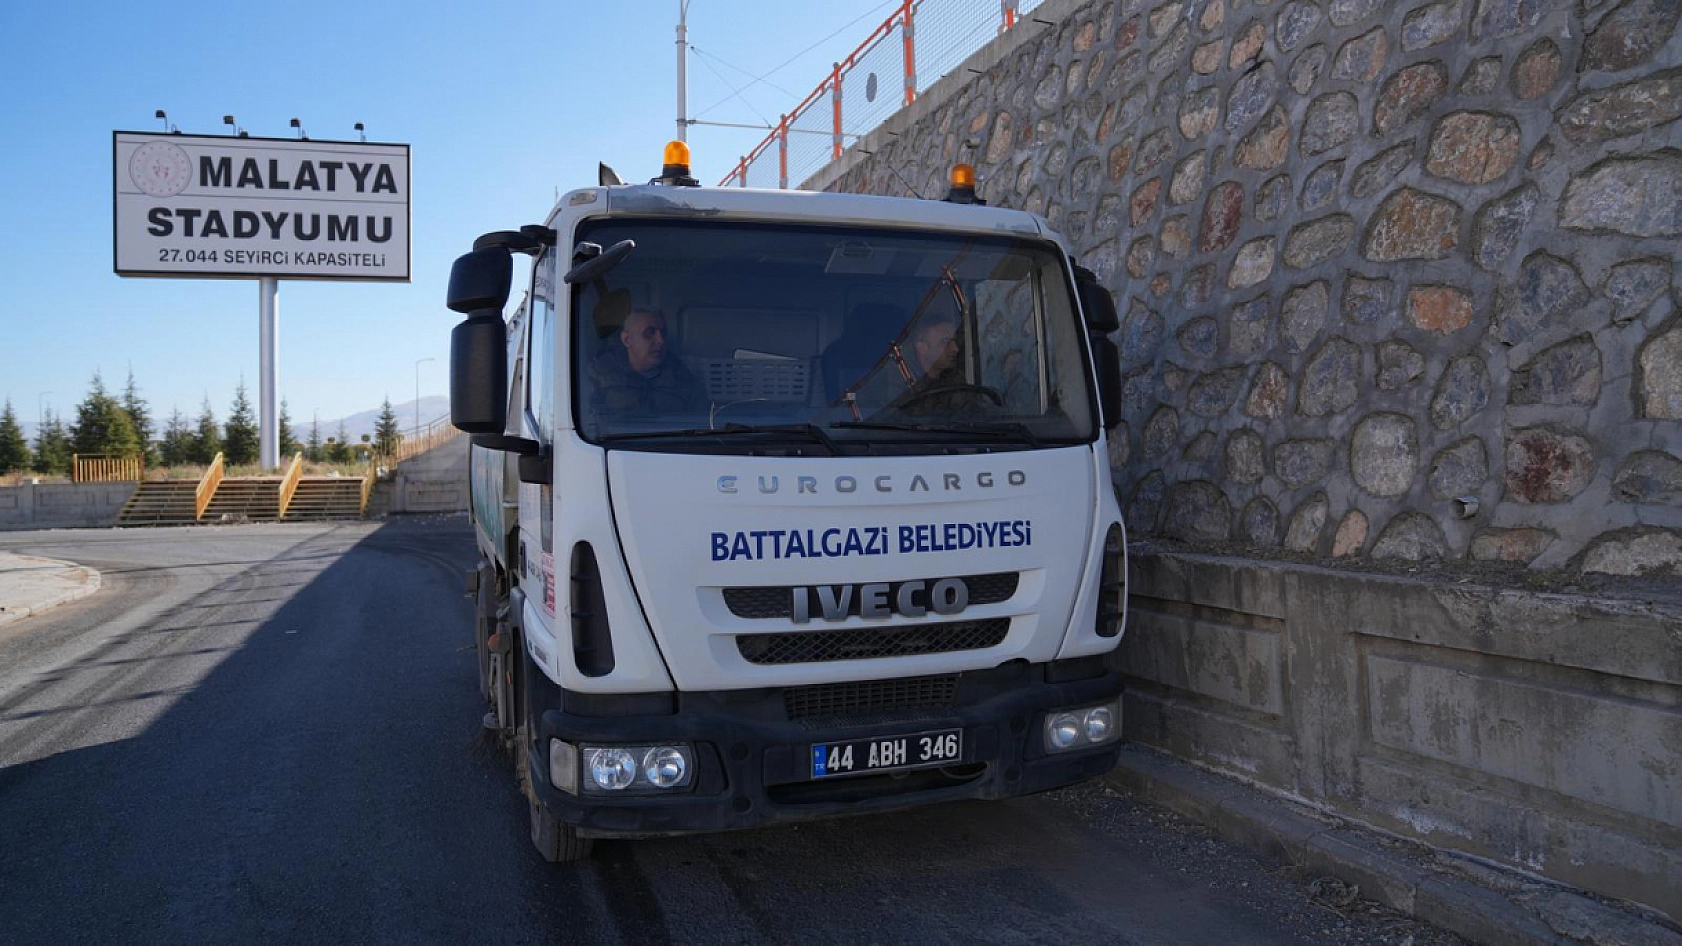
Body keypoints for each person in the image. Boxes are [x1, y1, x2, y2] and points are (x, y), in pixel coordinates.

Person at [588, 308, 709, 414]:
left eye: (663, 333)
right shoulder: (599, 374)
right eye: (649, 333)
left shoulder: (684, 379)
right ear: (627, 339)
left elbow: (700, 422)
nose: (660, 341)